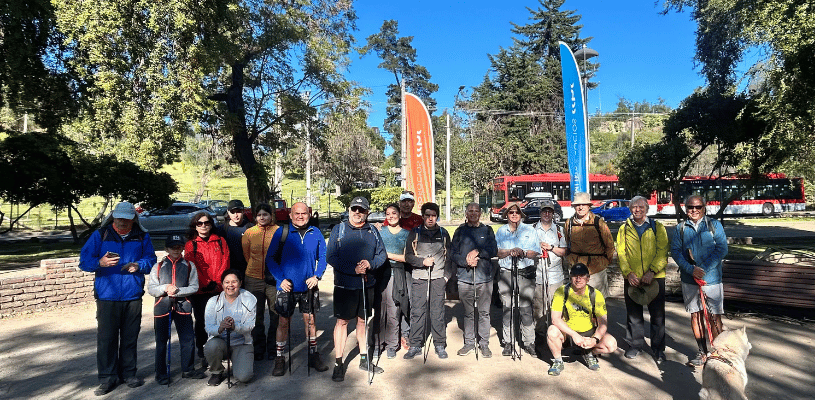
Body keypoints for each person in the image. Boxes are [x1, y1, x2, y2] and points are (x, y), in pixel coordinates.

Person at [79, 201, 157, 396]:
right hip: (107, 296)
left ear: (133, 219)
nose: (122, 222)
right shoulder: (100, 235)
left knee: (130, 338)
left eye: (126, 218)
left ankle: (129, 374)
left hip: (132, 295)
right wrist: (100, 262)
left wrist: (139, 265)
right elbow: (84, 261)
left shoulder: (141, 236)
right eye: (119, 217)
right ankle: (107, 378)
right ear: (113, 216)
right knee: (106, 339)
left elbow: (151, 260)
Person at [265, 202, 329, 376]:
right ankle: (280, 357)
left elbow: (323, 257)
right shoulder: (282, 232)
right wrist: (281, 279)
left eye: (304, 213)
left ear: (309, 215)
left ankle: (313, 354)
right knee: (283, 323)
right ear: (291, 215)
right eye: (297, 213)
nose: (301, 216)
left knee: (311, 322)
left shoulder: (315, 233)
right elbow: (270, 259)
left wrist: (317, 276)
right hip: (287, 287)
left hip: (309, 286)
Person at [327, 197, 387, 382]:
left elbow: (381, 254)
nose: (357, 212)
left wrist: (371, 264)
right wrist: (352, 269)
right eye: (354, 209)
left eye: (362, 210)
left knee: (362, 321)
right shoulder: (339, 229)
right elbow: (331, 256)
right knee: (342, 323)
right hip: (345, 285)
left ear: (367, 212)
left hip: (366, 284)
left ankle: (363, 359)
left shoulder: (373, 231)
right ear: (349, 209)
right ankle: (338, 363)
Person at [671, 195, 728, 367]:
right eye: (690, 207)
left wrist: (703, 269)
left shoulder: (714, 225)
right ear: (685, 208)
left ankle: (718, 353)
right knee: (696, 315)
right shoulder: (680, 228)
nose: (694, 210)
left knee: (714, 317)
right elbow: (675, 252)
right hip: (689, 280)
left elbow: (722, 249)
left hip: (711, 280)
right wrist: (691, 270)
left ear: (704, 207)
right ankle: (702, 352)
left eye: (698, 207)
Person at [616, 196, 669, 364]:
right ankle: (635, 345)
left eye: (641, 206)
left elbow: (663, 252)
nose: (637, 209)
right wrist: (628, 273)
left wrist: (652, 271)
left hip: (655, 277)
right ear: (630, 209)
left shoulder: (657, 227)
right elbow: (621, 253)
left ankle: (658, 348)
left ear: (647, 208)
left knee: (658, 316)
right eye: (634, 207)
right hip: (632, 278)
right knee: (634, 315)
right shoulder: (624, 229)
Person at [147, 235, 206, 385]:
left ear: (183, 248)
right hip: (162, 305)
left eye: (179, 247)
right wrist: (165, 288)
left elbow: (194, 287)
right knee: (161, 341)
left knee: (187, 339)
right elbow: (152, 289)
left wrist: (177, 291)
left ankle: (188, 370)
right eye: (172, 247)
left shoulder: (189, 265)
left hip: (183, 306)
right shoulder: (158, 266)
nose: (176, 249)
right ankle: (160, 373)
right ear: (166, 249)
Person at [546, 264, 617, 376]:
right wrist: (574, 335)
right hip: (568, 333)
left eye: (582, 276)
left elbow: (603, 323)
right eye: (575, 276)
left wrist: (595, 339)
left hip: (589, 331)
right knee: (552, 331)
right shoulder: (561, 292)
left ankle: (589, 352)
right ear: (570, 277)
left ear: (588, 278)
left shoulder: (596, 294)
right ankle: (558, 361)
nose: (578, 279)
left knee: (611, 344)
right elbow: (555, 319)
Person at [403, 202, 453, 360]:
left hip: (438, 278)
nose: (430, 218)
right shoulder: (415, 233)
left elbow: (450, 258)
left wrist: (446, 276)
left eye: (433, 215)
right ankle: (416, 344)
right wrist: (422, 262)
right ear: (423, 216)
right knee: (417, 311)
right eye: (427, 215)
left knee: (437, 312)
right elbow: (408, 256)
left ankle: (439, 344)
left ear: (437, 216)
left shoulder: (444, 233)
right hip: (419, 277)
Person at [451, 202, 498, 357]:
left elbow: (493, 250)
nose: (473, 213)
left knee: (484, 312)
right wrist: (466, 262)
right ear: (466, 213)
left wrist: (478, 252)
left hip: (484, 278)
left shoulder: (487, 230)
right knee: (468, 312)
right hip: (465, 277)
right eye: (470, 211)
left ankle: (484, 344)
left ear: (480, 213)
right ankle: (469, 343)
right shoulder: (459, 231)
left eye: (476, 211)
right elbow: (453, 254)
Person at [184, 211, 230, 368]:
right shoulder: (191, 244)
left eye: (206, 223)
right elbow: (192, 265)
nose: (203, 226)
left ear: (211, 225)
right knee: (202, 322)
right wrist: (205, 282)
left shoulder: (221, 241)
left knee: (220, 320)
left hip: (218, 288)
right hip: (200, 290)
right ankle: (203, 351)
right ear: (195, 226)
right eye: (200, 223)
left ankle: (221, 350)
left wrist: (217, 282)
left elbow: (225, 263)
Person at [495, 203, 540, 357]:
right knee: (507, 307)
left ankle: (529, 342)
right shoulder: (501, 231)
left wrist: (523, 252)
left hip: (525, 272)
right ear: (506, 215)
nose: (514, 215)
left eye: (517, 212)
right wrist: (509, 251)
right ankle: (507, 342)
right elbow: (497, 252)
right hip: (506, 271)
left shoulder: (529, 230)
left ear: (521, 215)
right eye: (511, 212)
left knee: (526, 307)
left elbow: (536, 252)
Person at [204, 269, 257, 386]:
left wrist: (235, 327)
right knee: (211, 346)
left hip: (242, 343)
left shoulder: (250, 299)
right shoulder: (213, 301)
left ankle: (240, 361)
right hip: (221, 342)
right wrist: (220, 327)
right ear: (222, 284)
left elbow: (250, 326)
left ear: (240, 283)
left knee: (244, 377)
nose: (230, 285)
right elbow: (208, 327)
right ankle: (216, 372)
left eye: (234, 281)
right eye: (227, 282)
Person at [241, 203, 280, 361]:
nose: (262, 217)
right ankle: (258, 348)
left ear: (271, 215)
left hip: (274, 279)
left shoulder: (278, 231)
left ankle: (273, 348)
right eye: (259, 215)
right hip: (253, 278)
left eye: (265, 214)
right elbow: (246, 254)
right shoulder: (249, 233)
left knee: (275, 314)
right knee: (256, 316)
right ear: (255, 217)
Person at [564, 192, 616, 297]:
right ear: (574, 206)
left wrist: (604, 262)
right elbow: (567, 242)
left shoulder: (598, 222)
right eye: (578, 205)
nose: (581, 207)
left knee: (598, 303)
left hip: (596, 269)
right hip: (576, 269)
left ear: (589, 206)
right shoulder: (569, 223)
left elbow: (609, 245)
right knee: (578, 301)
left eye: (584, 204)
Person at [376, 203, 410, 359]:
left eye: (394, 213)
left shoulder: (406, 234)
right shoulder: (379, 231)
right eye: (388, 213)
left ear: (399, 214)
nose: (391, 216)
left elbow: (405, 257)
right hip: (379, 273)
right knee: (379, 310)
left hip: (396, 274)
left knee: (393, 310)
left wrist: (386, 254)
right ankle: (377, 343)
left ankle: (392, 344)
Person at [532, 200, 567, 332]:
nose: (547, 214)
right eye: (544, 211)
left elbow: (564, 252)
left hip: (555, 277)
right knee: (538, 308)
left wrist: (551, 247)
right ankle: (540, 337)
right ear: (540, 213)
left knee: (556, 308)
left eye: (549, 211)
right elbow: (526, 251)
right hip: (538, 276)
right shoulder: (532, 229)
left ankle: (557, 336)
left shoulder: (559, 230)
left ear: (553, 214)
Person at [214, 200, 254, 277]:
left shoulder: (251, 228)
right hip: (228, 269)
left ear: (243, 211)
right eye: (232, 212)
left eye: (238, 211)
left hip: (247, 270)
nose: (236, 215)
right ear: (228, 213)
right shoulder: (221, 230)